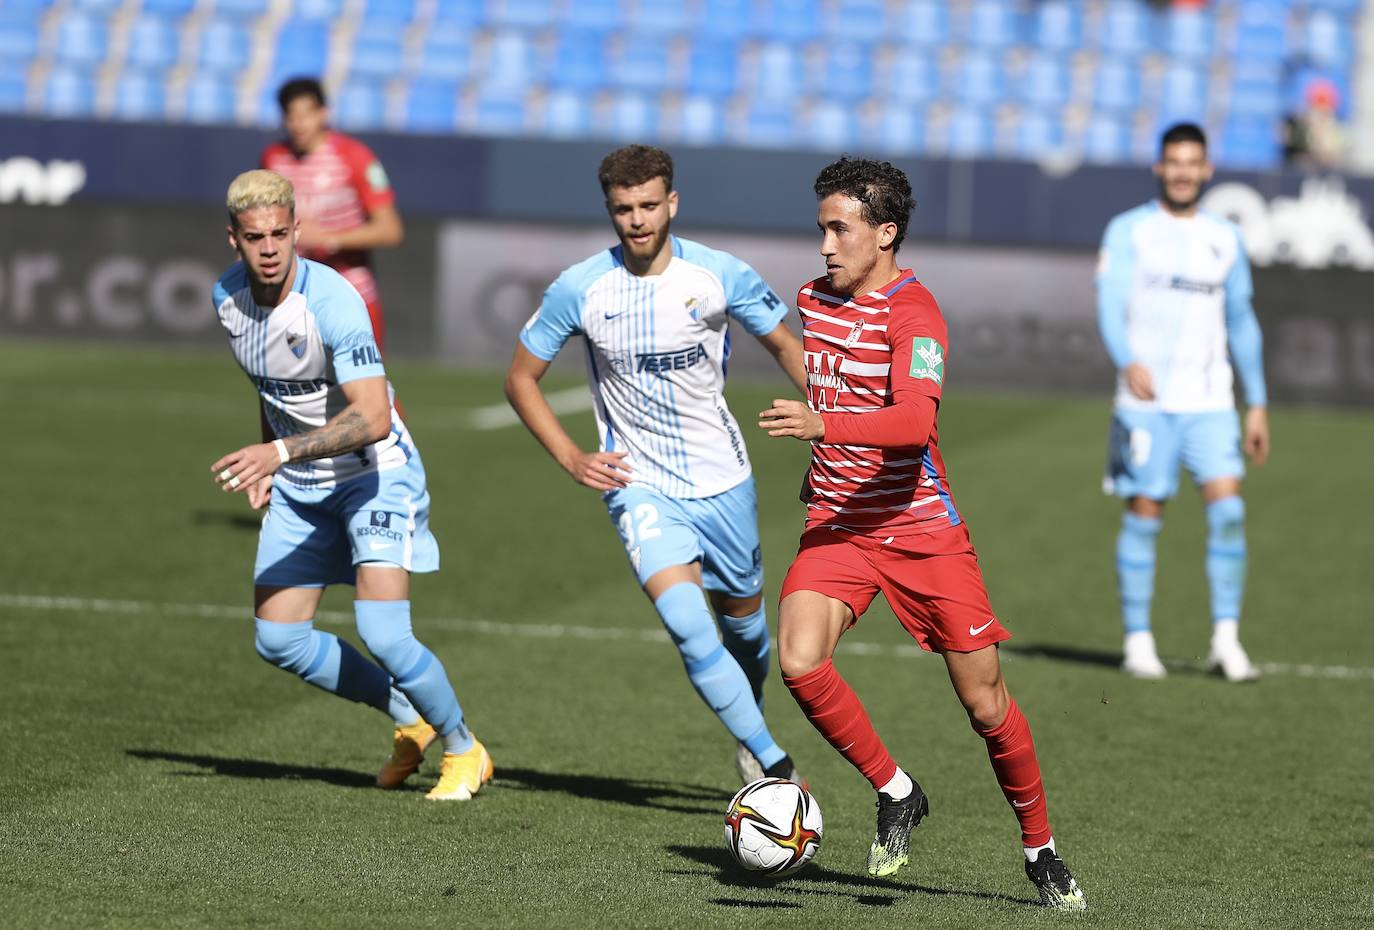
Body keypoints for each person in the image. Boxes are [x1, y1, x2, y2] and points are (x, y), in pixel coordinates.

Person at [757, 157, 1085, 910]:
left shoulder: (917, 314)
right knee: (801, 661)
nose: (826, 246)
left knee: (985, 705)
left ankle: (1041, 850)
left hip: (920, 528)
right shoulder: (814, 299)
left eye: (841, 230)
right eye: (822, 230)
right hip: (839, 521)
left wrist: (822, 421)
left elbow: (915, 422)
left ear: (886, 232)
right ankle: (897, 791)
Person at [504, 144, 808, 785]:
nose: (637, 220)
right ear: (610, 211)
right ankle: (774, 767)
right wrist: (570, 457)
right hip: (638, 483)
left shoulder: (719, 275)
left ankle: (749, 722)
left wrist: (828, 418)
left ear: (672, 203)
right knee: (690, 630)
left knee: (747, 634)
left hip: (724, 479)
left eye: (648, 205)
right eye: (623, 209)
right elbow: (521, 379)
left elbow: (786, 343)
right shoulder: (581, 287)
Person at [209, 169, 489, 801]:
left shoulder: (333, 301)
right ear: (234, 239)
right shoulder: (226, 298)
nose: (271, 248)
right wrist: (272, 463)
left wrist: (276, 451)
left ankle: (464, 748)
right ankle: (409, 718)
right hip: (301, 481)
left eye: (282, 233)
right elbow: (271, 387)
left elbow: (373, 415)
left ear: (297, 230)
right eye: (256, 237)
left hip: (376, 475)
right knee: (278, 637)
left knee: (385, 631)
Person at [1097, 123, 1270, 682]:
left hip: (1211, 402)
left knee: (1229, 511)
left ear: (1206, 169)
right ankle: (1138, 640)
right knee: (1145, 514)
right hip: (1144, 405)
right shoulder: (1130, 230)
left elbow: (1241, 321)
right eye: (1173, 161)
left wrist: (1258, 402)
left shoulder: (1225, 236)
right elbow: (1108, 303)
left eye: (1191, 162)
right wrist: (1128, 360)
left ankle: (1226, 639)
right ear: (1159, 167)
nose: (1182, 171)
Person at [261, 78, 404, 352]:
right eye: (291, 116)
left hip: (350, 294)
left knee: (366, 388)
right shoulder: (273, 159)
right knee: (296, 387)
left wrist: (328, 238)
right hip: (295, 298)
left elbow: (390, 230)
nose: (299, 124)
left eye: (306, 114)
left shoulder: (354, 156)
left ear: (323, 113)